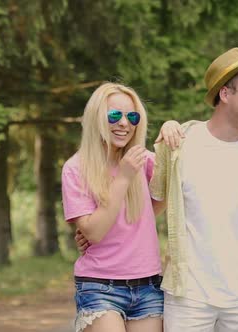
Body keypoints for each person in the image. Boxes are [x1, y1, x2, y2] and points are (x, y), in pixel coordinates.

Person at [151, 48, 238, 332]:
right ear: (225, 94)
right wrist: (97, 234)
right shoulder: (180, 144)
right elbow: (149, 210)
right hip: (188, 297)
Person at [61, 82, 164, 332]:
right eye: (115, 115)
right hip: (99, 286)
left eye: (132, 116)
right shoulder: (76, 168)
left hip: (148, 285)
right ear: (97, 118)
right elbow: (94, 233)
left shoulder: (145, 160)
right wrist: (125, 176)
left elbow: (163, 201)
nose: (124, 123)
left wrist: (171, 128)